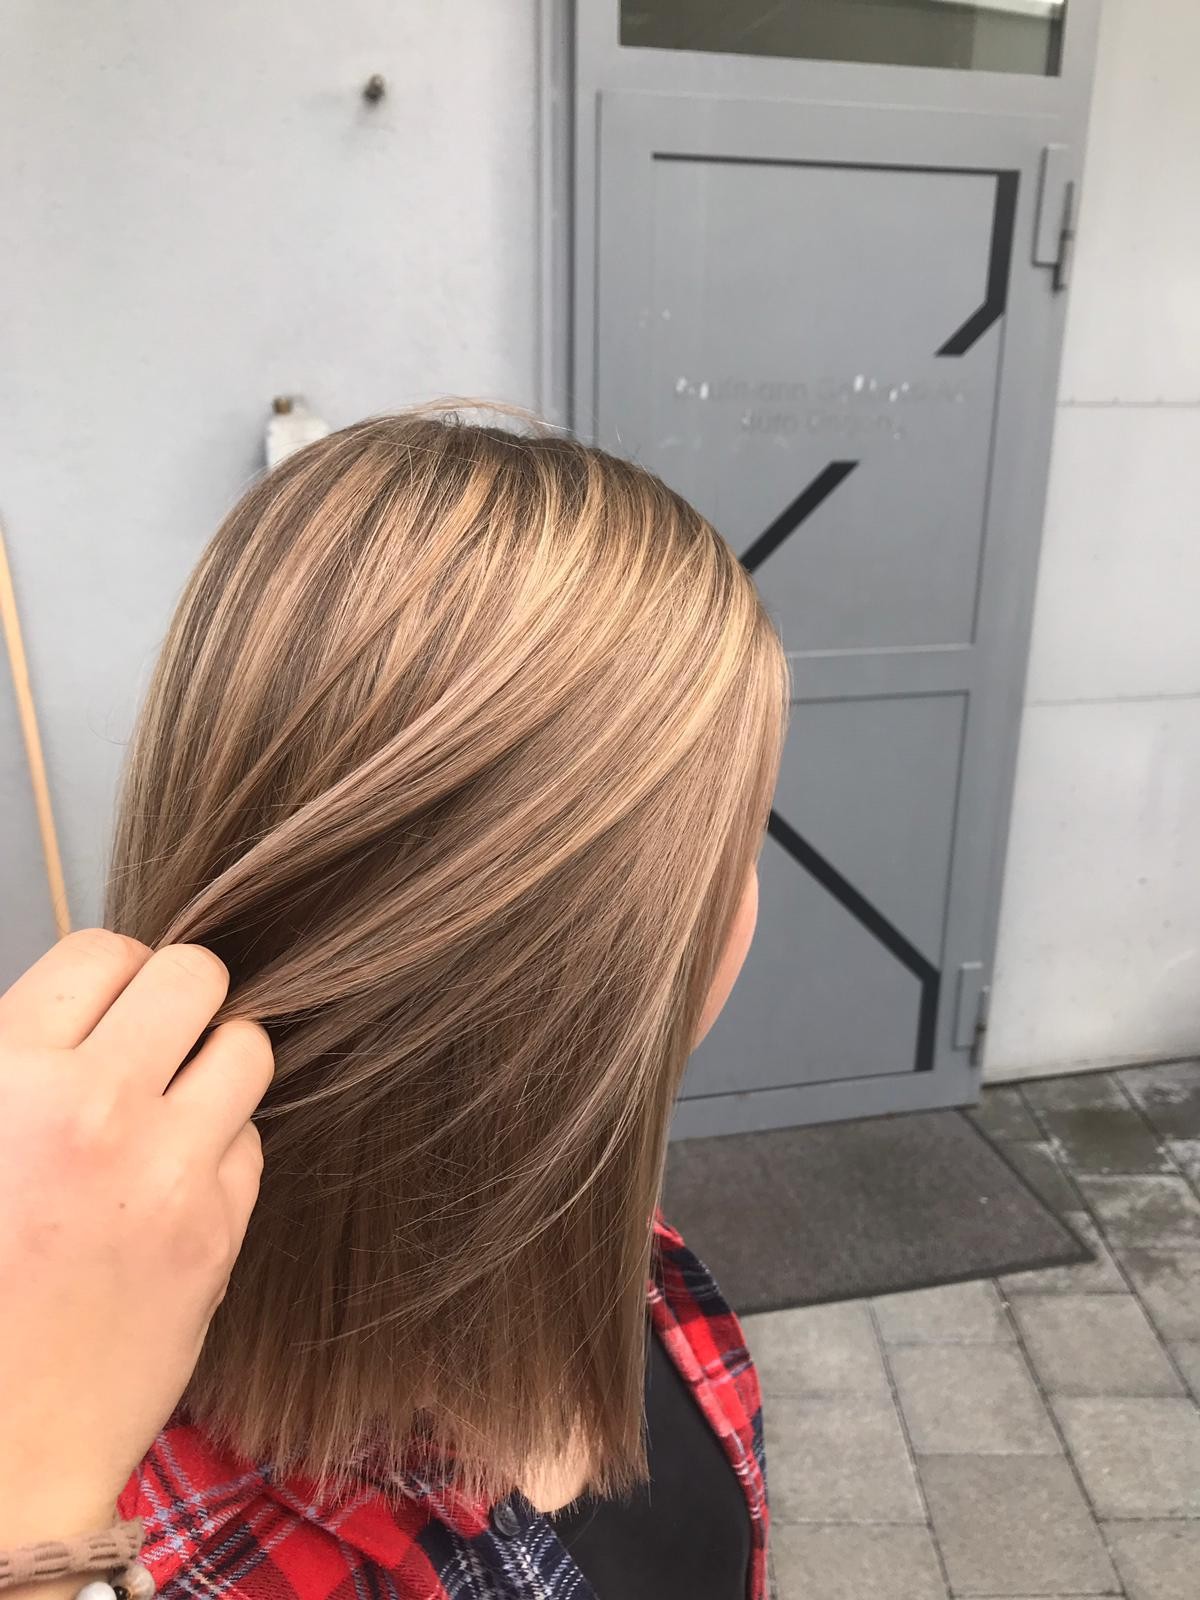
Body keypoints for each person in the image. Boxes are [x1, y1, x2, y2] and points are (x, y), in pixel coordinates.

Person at [4, 411, 788, 1600]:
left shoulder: (617, 1249)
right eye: (742, 840)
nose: (753, 894)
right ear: (616, 953)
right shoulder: (170, 1547)